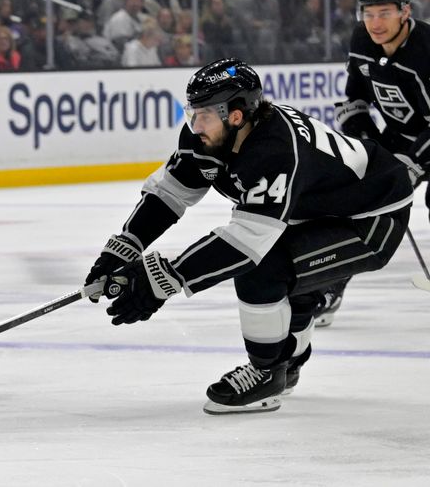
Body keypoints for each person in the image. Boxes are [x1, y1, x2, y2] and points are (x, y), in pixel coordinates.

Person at [84, 58, 412, 415]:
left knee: (265, 269)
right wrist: (123, 248)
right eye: (190, 112)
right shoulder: (208, 136)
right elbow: (170, 194)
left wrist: (164, 278)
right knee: (293, 285)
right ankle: (288, 363)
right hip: (314, 210)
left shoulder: (275, 149)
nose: (194, 125)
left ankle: (266, 373)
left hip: (371, 216)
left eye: (204, 114)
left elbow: (245, 243)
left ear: (236, 115)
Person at [334, 0, 430, 326]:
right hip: (402, 134)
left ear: (405, 11)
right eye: (368, 13)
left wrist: (413, 164)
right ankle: (330, 285)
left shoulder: (427, 49)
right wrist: (367, 141)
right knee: (359, 203)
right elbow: (355, 96)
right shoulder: (363, 38)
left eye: (384, 13)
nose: (374, 23)